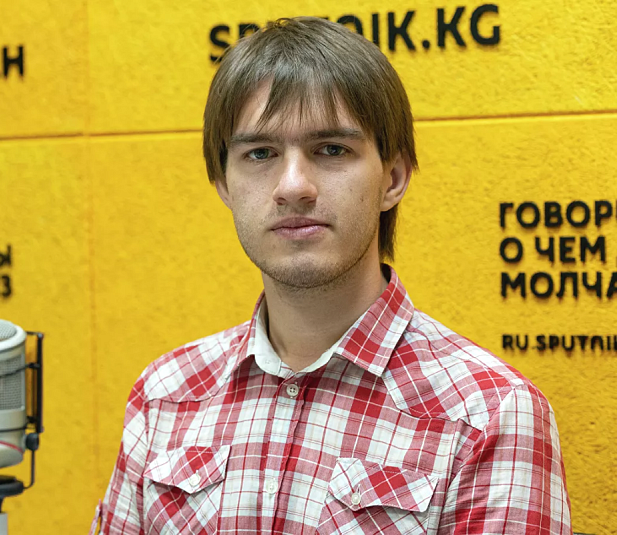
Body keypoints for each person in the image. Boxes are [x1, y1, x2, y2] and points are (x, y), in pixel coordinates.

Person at [92, 16, 572, 534]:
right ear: (224, 186)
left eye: (331, 150)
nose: (293, 186)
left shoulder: (487, 415)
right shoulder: (166, 395)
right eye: (260, 153)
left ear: (393, 178)